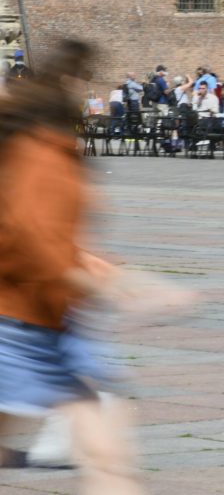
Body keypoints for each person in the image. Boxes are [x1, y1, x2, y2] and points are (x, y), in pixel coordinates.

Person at [0, 39, 143, 494]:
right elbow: (34, 239)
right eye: (87, 81)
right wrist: (96, 279)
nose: (91, 94)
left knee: (105, 446)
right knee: (105, 449)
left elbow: (49, 236)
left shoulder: (53, 146)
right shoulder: (41, 151)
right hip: (21, 316)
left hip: (45, 314)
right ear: (69, 80)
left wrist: (95, 268)